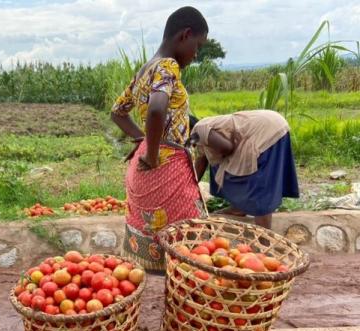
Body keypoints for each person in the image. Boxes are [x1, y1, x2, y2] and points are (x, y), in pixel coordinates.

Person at [110, 6, 208, 270]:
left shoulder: (144, 71)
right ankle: (186, 308)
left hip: (146, 171)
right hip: (166, 171)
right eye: (197, 46)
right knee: (194, 250)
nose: (195, 54)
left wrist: (143, 140)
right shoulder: (168, 66)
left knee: (169, 255)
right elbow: (156, 108)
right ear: (185, 35)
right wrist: (152, 154)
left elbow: (117, 113)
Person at [191, 110, 300, 229]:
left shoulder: (198, 130)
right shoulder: (201, 132)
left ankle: (264, 238)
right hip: (273, 122)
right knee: (220, 167)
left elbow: (227, 148)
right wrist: (189, 186)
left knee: (258, 185)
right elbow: (201, 162)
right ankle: (239, 208)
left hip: (266, 130)